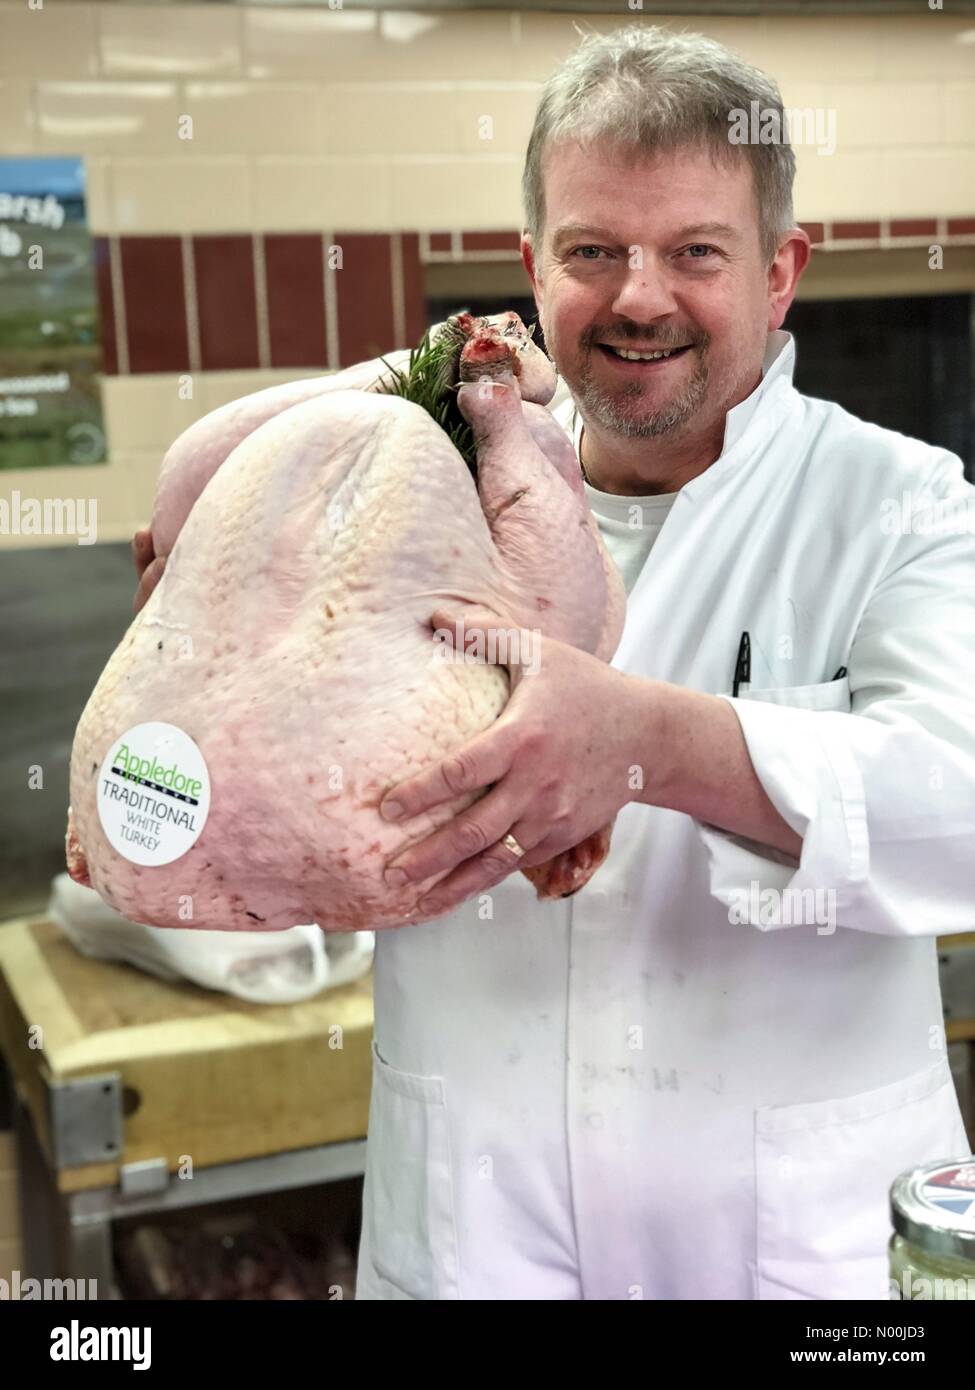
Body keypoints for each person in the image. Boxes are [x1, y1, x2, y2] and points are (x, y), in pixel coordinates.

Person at [134, 25, 975, 1300]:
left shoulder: (902, 505)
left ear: (782, 269)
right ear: (534, 265)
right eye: (593, 251)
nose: (640, 296)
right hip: (477, 1229)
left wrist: (646, 746)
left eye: (696, 250)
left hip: (798, 1256)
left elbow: (958, 812)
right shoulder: (426, 492)